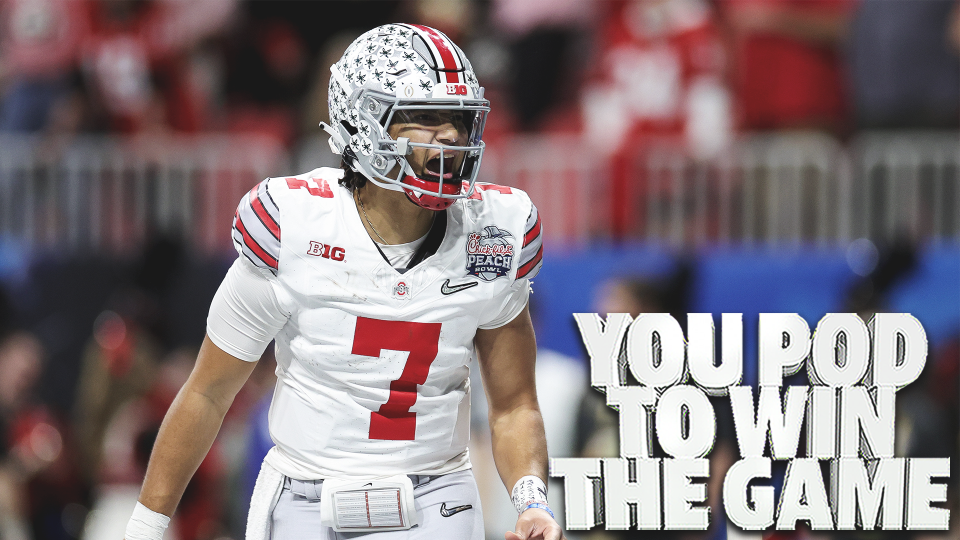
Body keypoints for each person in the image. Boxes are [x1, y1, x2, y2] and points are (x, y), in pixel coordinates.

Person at [123, 23, 563, 540]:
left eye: (460, 120)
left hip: (435, 496)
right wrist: (145, 528)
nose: (450, 136)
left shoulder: (494, 232)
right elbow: (208, 392)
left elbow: (513, 405)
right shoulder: (293, 225)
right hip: (305, 498)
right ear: (364, 123)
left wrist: (533, 502)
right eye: (424, 117)